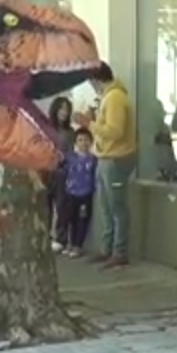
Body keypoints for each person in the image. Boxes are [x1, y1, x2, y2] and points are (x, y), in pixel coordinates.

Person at [74, 62, 135, 268]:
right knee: (106, 207)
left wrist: (88, 124)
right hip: (105, 157)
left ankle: (120, 251)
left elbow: (115, 132)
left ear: (96, 79)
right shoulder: (108, 97)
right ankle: (106, 249)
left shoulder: (115, 97)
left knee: (117, 208)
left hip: (116, 158)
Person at [56, 129, 98, 257]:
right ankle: (70, 243)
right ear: (75, 142)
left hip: (85, 195)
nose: (83, 143)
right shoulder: (70, 157)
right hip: (71, 193)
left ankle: (78, 245)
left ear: (91, 142)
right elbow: (61, 169)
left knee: (82, 220)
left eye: (86, 140)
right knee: (70, 219)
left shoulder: (93, 159)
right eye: (80, 140)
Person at [47, 97, 76, 252]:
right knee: (45, 206)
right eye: (62, 108)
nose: (64, 112)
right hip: (45, 170)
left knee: (62, 206)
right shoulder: (46, 127)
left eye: (67, 109)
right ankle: (44, 237)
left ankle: (61, 239)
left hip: (62, 172)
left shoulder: (70, 132)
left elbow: (71, 153)